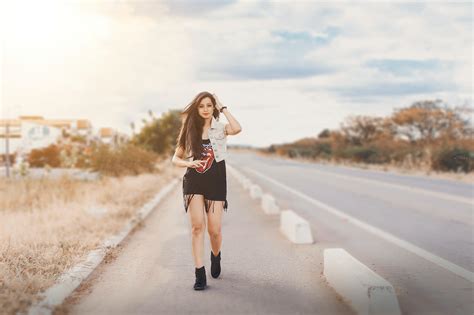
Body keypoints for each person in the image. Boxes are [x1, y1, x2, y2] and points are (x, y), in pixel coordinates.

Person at [171, 91, 242, 290]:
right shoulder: (189, 130)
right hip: (194, 181)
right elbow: (175, 158)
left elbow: (237, 128)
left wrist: (223, 107)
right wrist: (189, 163)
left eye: (209, 105)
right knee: (197, 227)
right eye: (201, 106)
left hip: (216, 181)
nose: (205, 109)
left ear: (213, 108)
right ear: (197, 108)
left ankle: (216, 255)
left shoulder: (220, 129)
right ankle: (199, 273)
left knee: (214, 230)